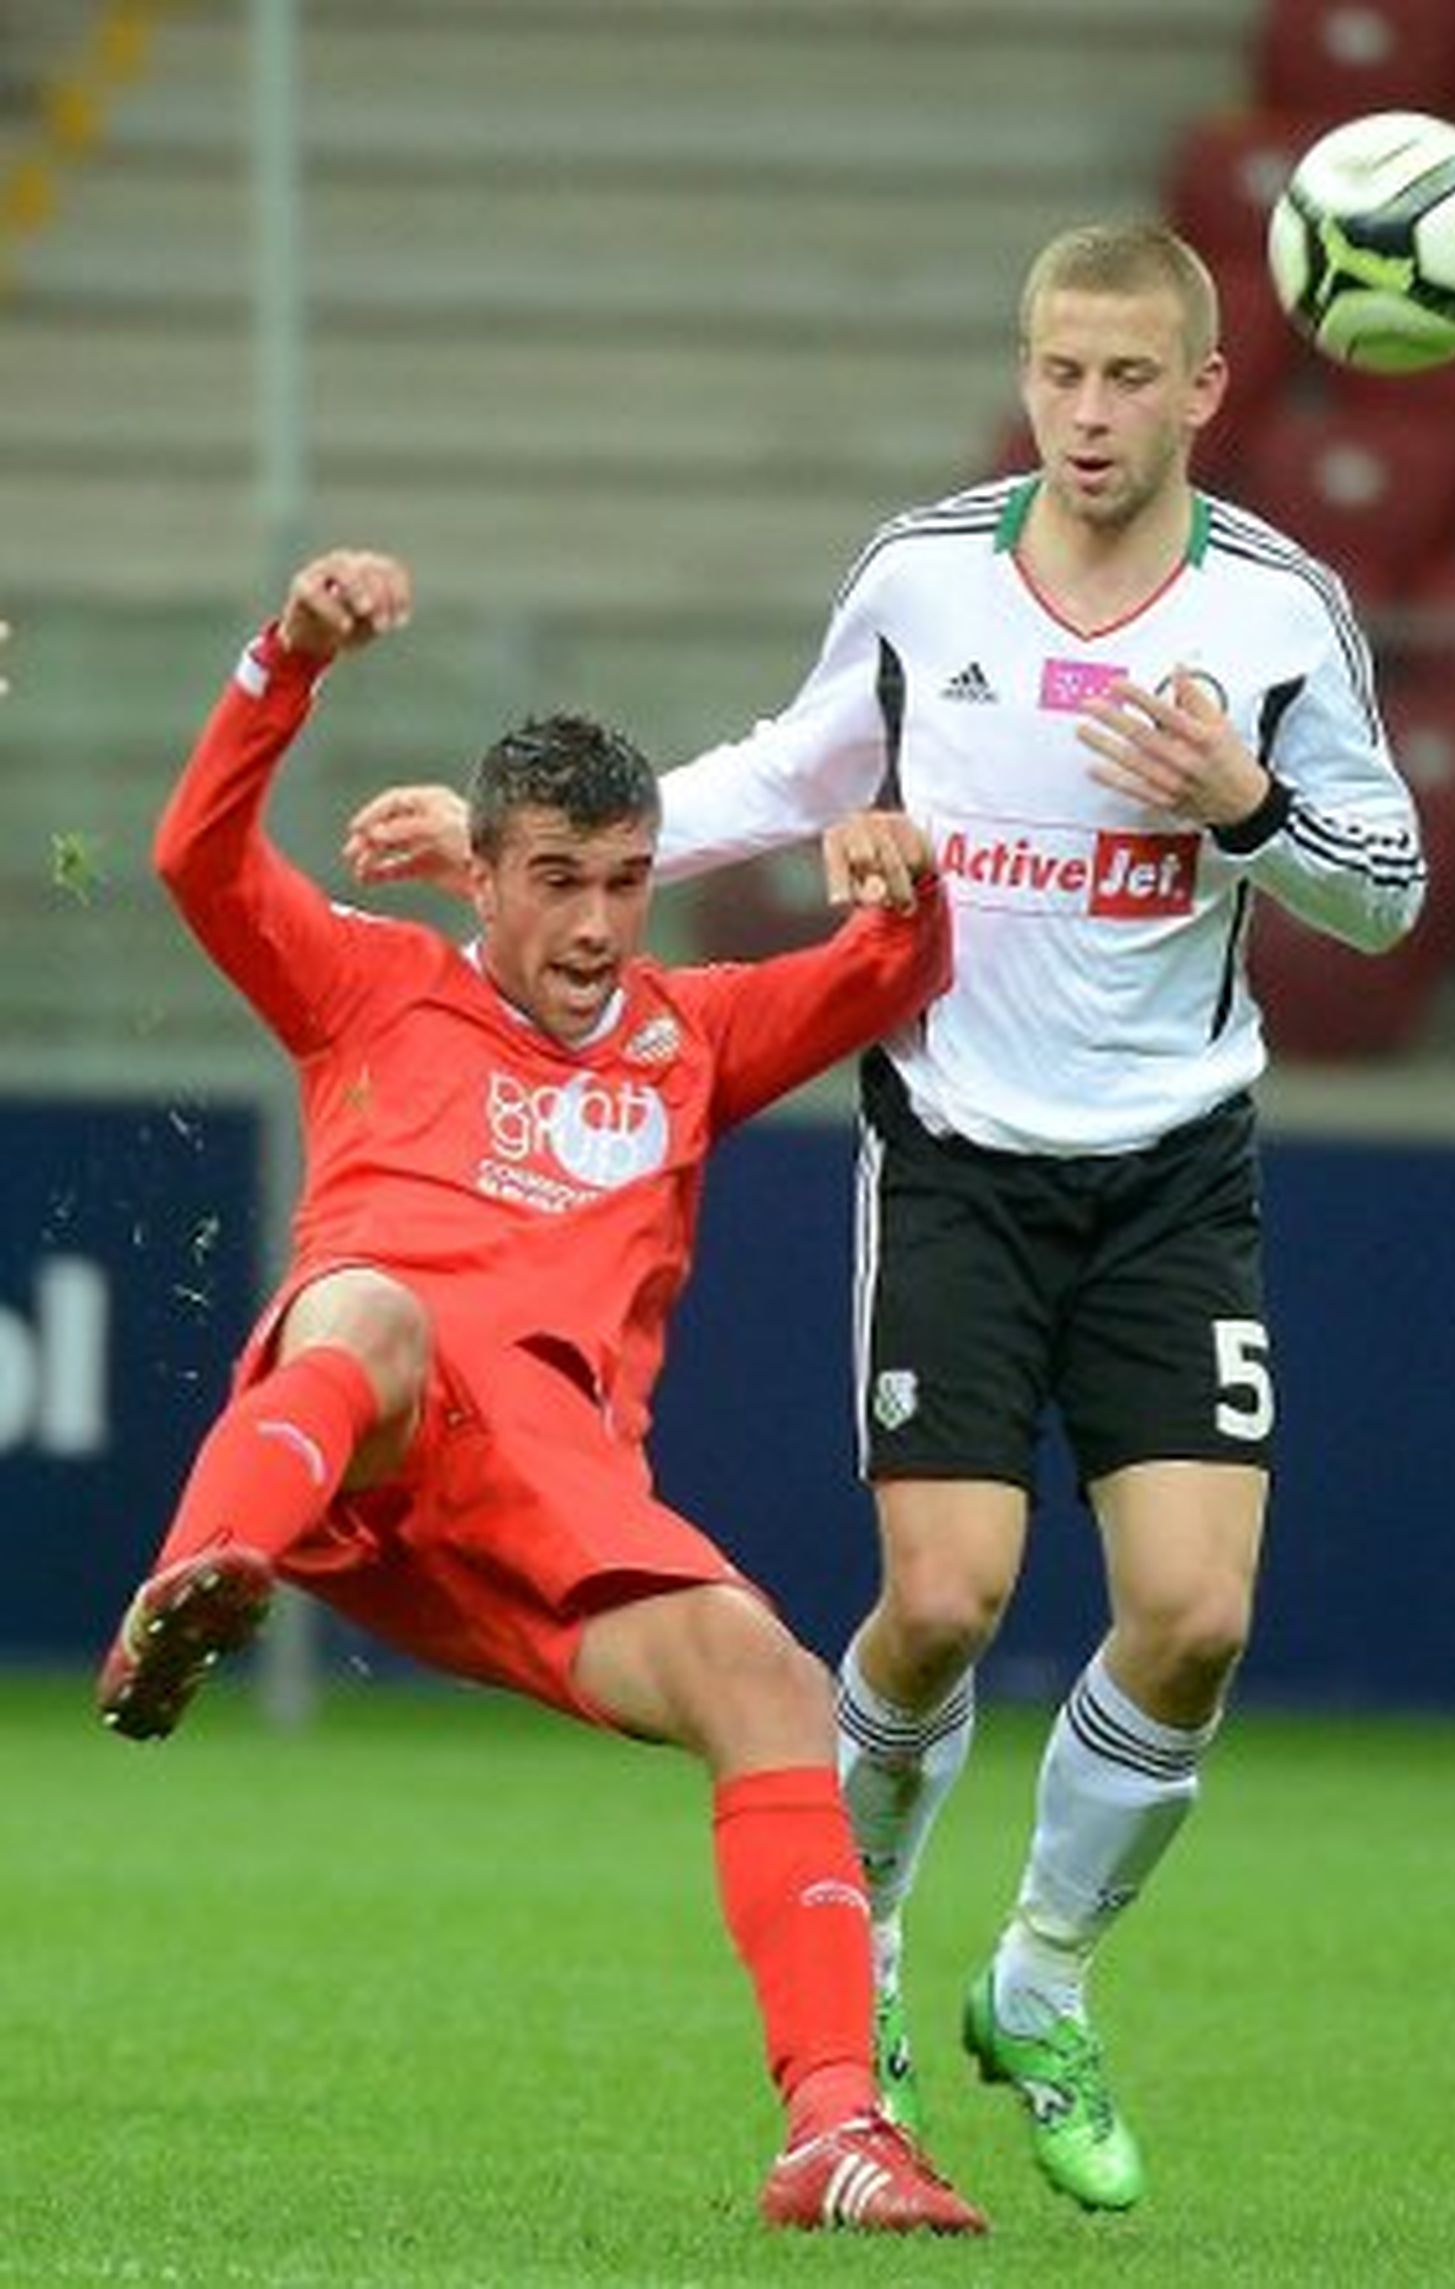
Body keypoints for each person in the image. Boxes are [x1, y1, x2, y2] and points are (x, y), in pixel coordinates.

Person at [342, 221, 1428, 2213]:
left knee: (1191, 1619)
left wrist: (1240, 805)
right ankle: (876, 1969)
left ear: (1197, 392)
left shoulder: (1276, 613)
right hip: (954, 1151)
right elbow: (782, 761)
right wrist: (539, 855)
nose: (1084, 414)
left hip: (1174, 1160)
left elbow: (1389, 884)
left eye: (1125, 379)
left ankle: (1040, 1974)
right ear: (1026, 376)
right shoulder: (928, 573)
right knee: (939, 1599)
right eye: (1054, 374)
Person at [95, 546, 989, 2240]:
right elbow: (194, 859)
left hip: (547, 1500)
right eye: (558, 880)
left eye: (626, 881)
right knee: (371, 1305)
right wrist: (287, 658)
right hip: (363, 1421)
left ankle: (834, 2132)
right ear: (479, 879)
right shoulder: (372, 983)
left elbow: (894, 971)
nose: (593, 924)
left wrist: (896, 875)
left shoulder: (692, 1034)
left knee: (774, 1678)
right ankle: (192, 1588)